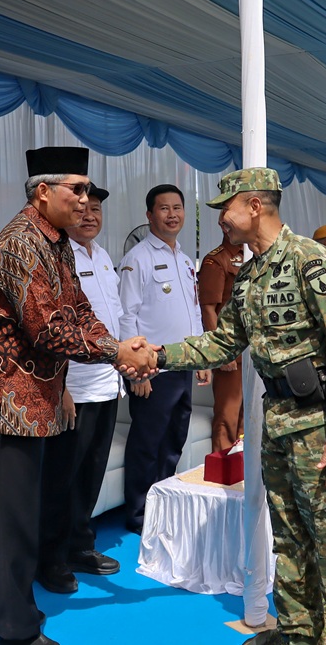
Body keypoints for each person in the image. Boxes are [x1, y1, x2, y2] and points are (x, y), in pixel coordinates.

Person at [132, 167, 326, 645]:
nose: (220, 219)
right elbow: (223, 341)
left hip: (322, 432)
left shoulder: (311, 261)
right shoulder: (250, 276)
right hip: (278, 429)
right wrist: (159, 356)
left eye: (225, 209)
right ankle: (298, 636)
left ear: (254, 206)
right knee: (289, 545)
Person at [0, 147, 156, 645]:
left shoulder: (57, 243)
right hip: (6, 399)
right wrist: (117, 352)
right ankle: (16, 632)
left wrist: (117, 347)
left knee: (11, 510)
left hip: (34, 396)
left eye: (89, 190)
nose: (86, 199)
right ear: (43, 191)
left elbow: (80, 309)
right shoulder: (22, 242)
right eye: (79, 188)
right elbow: (48, 327)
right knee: (13, 518)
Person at [38, 183, 126, 594]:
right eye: (83, 208)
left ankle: (79, 546)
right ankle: (50, 560)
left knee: (91, 475)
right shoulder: (57, 257)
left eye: (97, 210)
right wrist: (61, 389)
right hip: (74, 388)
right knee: (62, 478)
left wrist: (126, 369)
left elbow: (116, 319)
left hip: (107, 384)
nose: (90, 216)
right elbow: (49, 330)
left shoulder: (103, 257)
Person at [118, 183, 203, 535]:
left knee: (173, 439)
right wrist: (136, 372)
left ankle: (163, 502)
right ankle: (139, 513)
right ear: (149, 215)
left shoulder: (184, 259)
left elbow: (194, 311)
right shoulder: (137, 259)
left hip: (182, 364)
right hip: (151, 368)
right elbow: (126, 316)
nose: (172, 215)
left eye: (177, 208)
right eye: (164, 208)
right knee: (147, 441)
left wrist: (200, 357)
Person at [199, 228, 246, 452]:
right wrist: (221, 350)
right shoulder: (216, 260)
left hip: (255, 350)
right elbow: (208, 309)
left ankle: (245, 465)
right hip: (232, 351)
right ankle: (223, 466)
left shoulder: (255, 255)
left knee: (249, 415)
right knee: (228, 415)